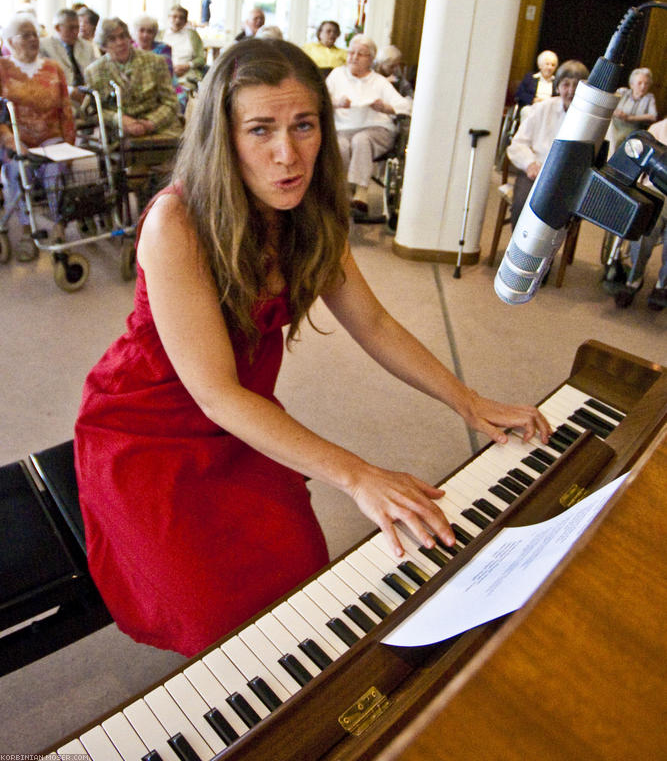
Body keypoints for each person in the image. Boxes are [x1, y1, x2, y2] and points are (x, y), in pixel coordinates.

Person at [74, 38, 550, 657]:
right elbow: (215, 394)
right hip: (150, 433)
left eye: (304, 126)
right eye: (261, 130)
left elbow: (373, 324)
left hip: (246, 423)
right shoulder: (178, 224)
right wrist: (358, 476)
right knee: (213, 614)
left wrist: (467, 401)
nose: (287, 154)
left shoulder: (308, 210)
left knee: (297, 580)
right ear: (225, 138)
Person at [0, 15, 75, 261]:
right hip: (16, 139)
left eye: (35, 33)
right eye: (25, 34)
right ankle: (26, 231)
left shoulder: (53, 67)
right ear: (10, 41)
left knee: (55, 171)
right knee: (17, 171)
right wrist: (12, 141)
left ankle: (59, 227)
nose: (33, 39)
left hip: (51, 137)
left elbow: (65, 109)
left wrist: (69, 146)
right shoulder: (3, 68)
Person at [327, 33, 412, 214]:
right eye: (351, 52)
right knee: (339, 145)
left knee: (361, 140)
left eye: (361, 54)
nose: (354, 57)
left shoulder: (379, 82)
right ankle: (342, 194)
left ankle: (361, 195)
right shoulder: (336, 76)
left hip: (376, 129)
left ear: (371, 59)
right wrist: (336, 103)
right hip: (342, 129)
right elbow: (319, 99)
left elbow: (406, 106)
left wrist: (385, 108)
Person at [506, 60, 589, 229]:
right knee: (523, 205)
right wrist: (530, 164)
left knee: (556, 217)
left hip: (568, 180)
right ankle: (518, 253)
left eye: (577, 86)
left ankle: (546, 255)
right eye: (566, 85)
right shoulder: (542, 108)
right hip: (535, 172)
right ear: (558, 87)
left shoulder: (592, 118)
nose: (571, 91)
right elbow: (517, 143)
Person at [84, 17, 181, 141]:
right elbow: (92, 111)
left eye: (123, 36)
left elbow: (171, 102)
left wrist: (150, 123)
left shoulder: (155, 61)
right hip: (119, 133)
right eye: (112, 39)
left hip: (160, 128)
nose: (120, 42)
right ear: (103, 46)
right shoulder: (94, 71)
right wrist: (119, 119)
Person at [613, 115, 667, 311]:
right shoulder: (658, 129)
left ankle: (663, 285)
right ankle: (634, 279)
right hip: (654, 190)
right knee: (645, 234)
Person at [39, 8, 97, 103]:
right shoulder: (44, 46)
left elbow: (94, 72)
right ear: (57, 28)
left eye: (77, 28)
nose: (75, 32)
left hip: (88, 96)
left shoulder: (87, 46)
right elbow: (45, 79)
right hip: (62, 97)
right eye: (71, 28)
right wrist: (69, 91)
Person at [162, 4, 207, 109]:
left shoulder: (192, 35)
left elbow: (201, 59)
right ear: (169, 18)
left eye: (181, 18)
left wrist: (187, 66)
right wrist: (170, 71)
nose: (177, 20)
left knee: (180, 98)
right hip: (164, 74)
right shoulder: (160, 34)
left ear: (186, 21)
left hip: (186, 74)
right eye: (174, 17)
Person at [607, 67, 658, 155]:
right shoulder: (623, 92)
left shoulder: (649, 98)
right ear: (632, 84)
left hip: (632, 128)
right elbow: (608, 103)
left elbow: (653, 116)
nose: (643, 86)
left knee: (622, 138)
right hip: (615, 124)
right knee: (610, 133)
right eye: (639, 83)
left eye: (646, 84)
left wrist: (630, 118)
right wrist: (616, 112)